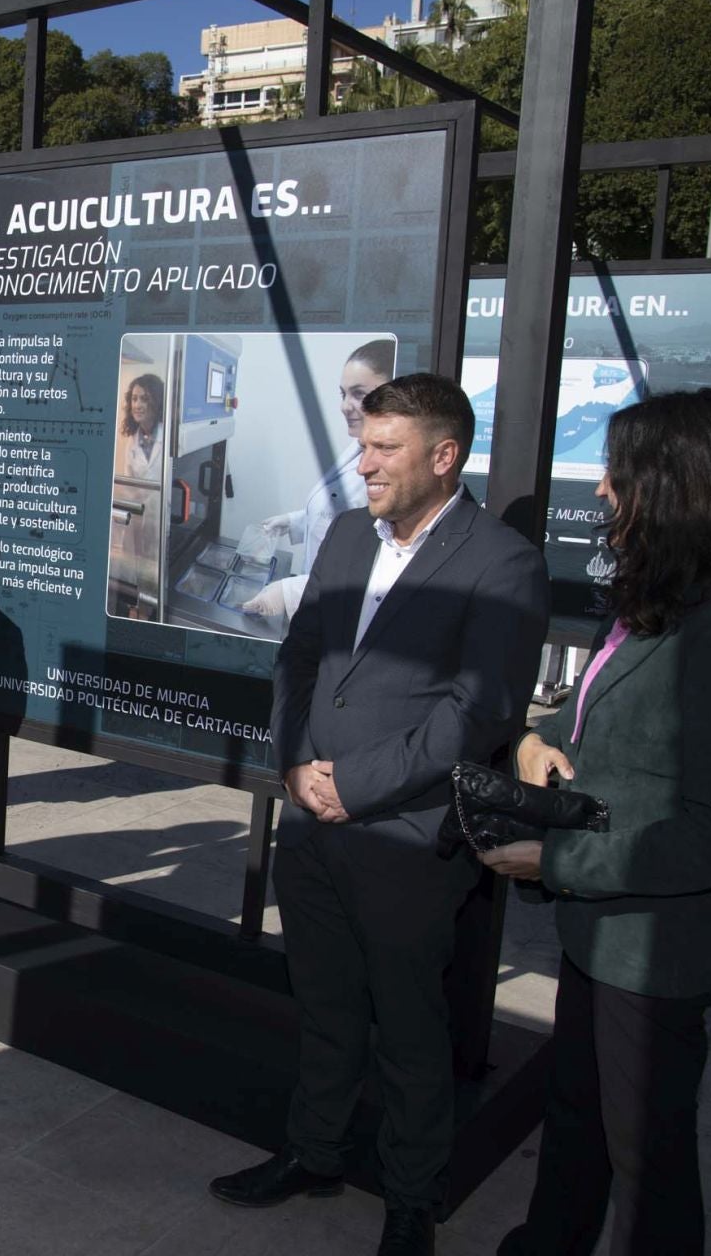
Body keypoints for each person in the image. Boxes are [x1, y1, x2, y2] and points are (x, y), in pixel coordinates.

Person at [208, 373, 549, 1256]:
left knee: (407, 1025)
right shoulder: (350, 537)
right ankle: (315, 1152)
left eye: (383, 449)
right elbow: (301, 656)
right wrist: (292, 764)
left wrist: (349, 783)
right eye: (364, 445)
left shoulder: (500, 562)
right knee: (322, 1004)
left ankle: (411, 1199)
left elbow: (475, 716)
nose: (362, 464)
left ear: (445, 456)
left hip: (405, 835)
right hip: (314, 822)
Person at [487, 393, 711, 1256]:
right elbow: (597, 720)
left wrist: (555, 860)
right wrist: (536, 740)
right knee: (577, 1120)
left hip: (657, 951)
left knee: (649, 1164)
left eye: (617, 474)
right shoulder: (651, 609)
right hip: (603, 937)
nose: (600, 490)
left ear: (673, 490)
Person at [242, 339, 395, 621]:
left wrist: (288, 593)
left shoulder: (391, 471)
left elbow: (372, 571)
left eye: (359, 394)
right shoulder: (358, 446)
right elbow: (339, 514)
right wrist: (293, 520)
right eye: (343, 394)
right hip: (317, 593)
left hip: (338, 607)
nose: (344, 406)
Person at [116, 373, 165, 479]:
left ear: (157, 402)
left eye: (144, 399)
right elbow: (129, 487)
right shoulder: (132, 441)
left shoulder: (168, 436)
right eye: (134, 399)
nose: (137, 405)